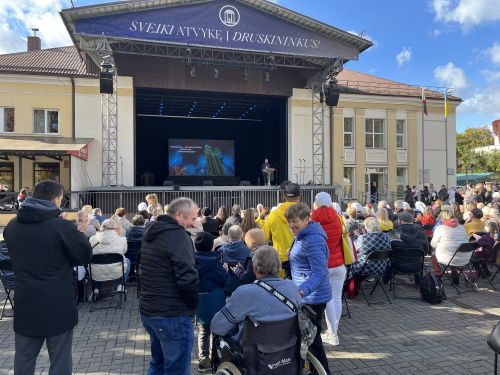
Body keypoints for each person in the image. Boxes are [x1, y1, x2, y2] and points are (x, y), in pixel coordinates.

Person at [4, 180, 92, 375]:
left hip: (26, 303)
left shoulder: (11, 227)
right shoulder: (62, 227)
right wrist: (80, 232)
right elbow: (83, 256)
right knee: (60, 363)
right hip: (58, 305)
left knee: (24, 360)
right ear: (56, 199)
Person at [140, 197, 199, 375]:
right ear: (179, 215)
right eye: (192, 219)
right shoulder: (177, 236)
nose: (194, 224)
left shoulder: (153, 231)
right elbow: (187, 278)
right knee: (176, 369)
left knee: (158, 364)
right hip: (172, 314)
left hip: (151, 310)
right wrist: (193, 305)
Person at [211, 245, 301, 345]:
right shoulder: (292, 287)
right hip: (288, 348)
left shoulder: (244, 292)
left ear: (254, 267)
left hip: (256, 353)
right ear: (280, 266)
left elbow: (217, 327)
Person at [286, 203, 332, 375]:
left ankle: (321, 372)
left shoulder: (312, 239)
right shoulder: (303, 235)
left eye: (294, 221)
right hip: (308, 296)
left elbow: (320, 272)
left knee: (313, 342)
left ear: (306, 219)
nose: (291, 225)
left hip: (312, 299)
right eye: (289, 222)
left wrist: (302, 290)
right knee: (312, 341)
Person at [310, 192, 344, 346]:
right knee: (336, 298)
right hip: (339, 263)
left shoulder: (312, 219)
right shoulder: (338, 217)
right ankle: (334, 330)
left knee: (328, 299)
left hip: (323, 264)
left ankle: (333, 333)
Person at [194, 232, 228, 372]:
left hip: (199, 300)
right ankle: (216, 358)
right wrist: (225, 270)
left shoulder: (191, 261)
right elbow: (223, 280)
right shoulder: (215, 262)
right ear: (211, 246)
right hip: (215, 299)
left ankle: (203, 360)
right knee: (217, 330)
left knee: (203, 331)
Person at [89, 219, 131, 295]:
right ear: (116, 228)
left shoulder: (92, 239)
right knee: (127, 260)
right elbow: (124, 252)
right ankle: (120, 285)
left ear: (102, 227)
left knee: (93, 263)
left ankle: (96, 288)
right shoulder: (122, 240)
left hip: (96, 273)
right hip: (116, 271)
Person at [262, 182, 301, 263]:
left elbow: (264, 237)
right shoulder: (303, 215)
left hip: (279, 260)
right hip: (299, 259)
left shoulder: (273, 215)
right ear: (299, 197)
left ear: (284, 197)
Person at [430, 209, 468, 283]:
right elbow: (467, 240)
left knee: (433, 253)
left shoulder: (440, 228)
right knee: (453, 250)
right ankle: (454, 272)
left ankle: (437, 274)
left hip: (448, 257)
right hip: (464, 256)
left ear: (442, 219)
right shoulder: (462, 227)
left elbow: (433, 244)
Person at [220, 225, 251, 296]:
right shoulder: (248, 251)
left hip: (225, 285)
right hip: (242, 285)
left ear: (228, 235)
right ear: (241, 235)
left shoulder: (221, 250)